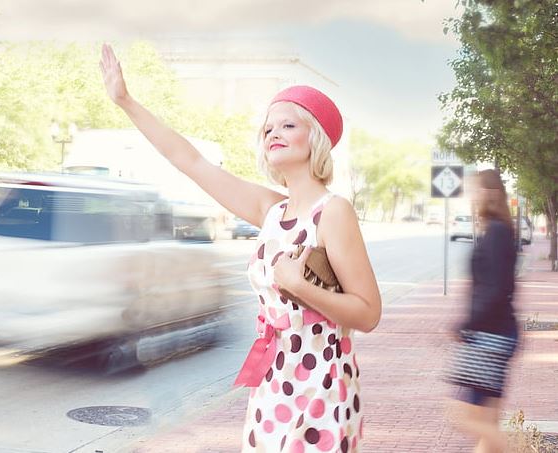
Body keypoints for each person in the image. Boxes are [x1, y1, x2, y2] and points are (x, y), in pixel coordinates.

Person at [100, 44, 381, 452]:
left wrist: (302, 287)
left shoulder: (332, 212)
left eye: (287, 125)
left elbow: (369, 313)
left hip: (322, 383)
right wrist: (126, 101)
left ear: (314, 135)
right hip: (273, 381)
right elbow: (192, 161)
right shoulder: (270, 210)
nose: (273, 134)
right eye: (268, 129)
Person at [447, 169, 519, 452]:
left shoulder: (498, 232)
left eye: (475, 191)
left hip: (490, 336)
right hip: (496, 333)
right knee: (488, 426)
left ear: (489, 193)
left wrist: (465, 324)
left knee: (459, 414)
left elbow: (497, 289)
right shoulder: (497, 230)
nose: (472, 197)